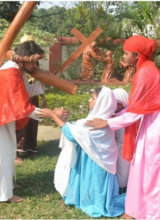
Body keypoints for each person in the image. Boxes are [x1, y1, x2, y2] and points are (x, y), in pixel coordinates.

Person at [85, 35, 160, 219]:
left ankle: (159, 213)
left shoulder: (146, 72)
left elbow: (135, 111)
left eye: (126, 53)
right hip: (154, 119)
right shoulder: (144, 69)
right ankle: (138, 209)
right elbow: (138, 107)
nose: (123, 56)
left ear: (136, 55)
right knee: (144, 164)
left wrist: (108, 122)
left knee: (157, 166)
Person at [0, 37, 66, 203]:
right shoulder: (10, 73)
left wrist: (42, 80)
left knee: (5, 153)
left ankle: (1, 184)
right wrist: (52, 114)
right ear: (25, 59)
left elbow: (23, 92)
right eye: (33, 62)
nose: (35, 67)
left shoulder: (16, 70)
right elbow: (22, 107)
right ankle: (1, 194)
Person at [36, 86, 126, 218]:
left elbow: (71, 134)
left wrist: (53, 116)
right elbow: (77, 129)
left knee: (94, 183)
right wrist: (64, 120)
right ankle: (87, 198)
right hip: (92, 162)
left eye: (93, 98)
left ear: (101, 102)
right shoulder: (101, 120)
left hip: (96, 165)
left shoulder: (98, 124)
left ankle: (93, 200)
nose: (89, 100)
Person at [112, 88, 131, 192]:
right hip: (121, 146)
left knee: (122, 170)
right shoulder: (123, 114)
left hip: (123, 147)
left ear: (121, 104)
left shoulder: (124, 117)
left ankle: (121, 189)